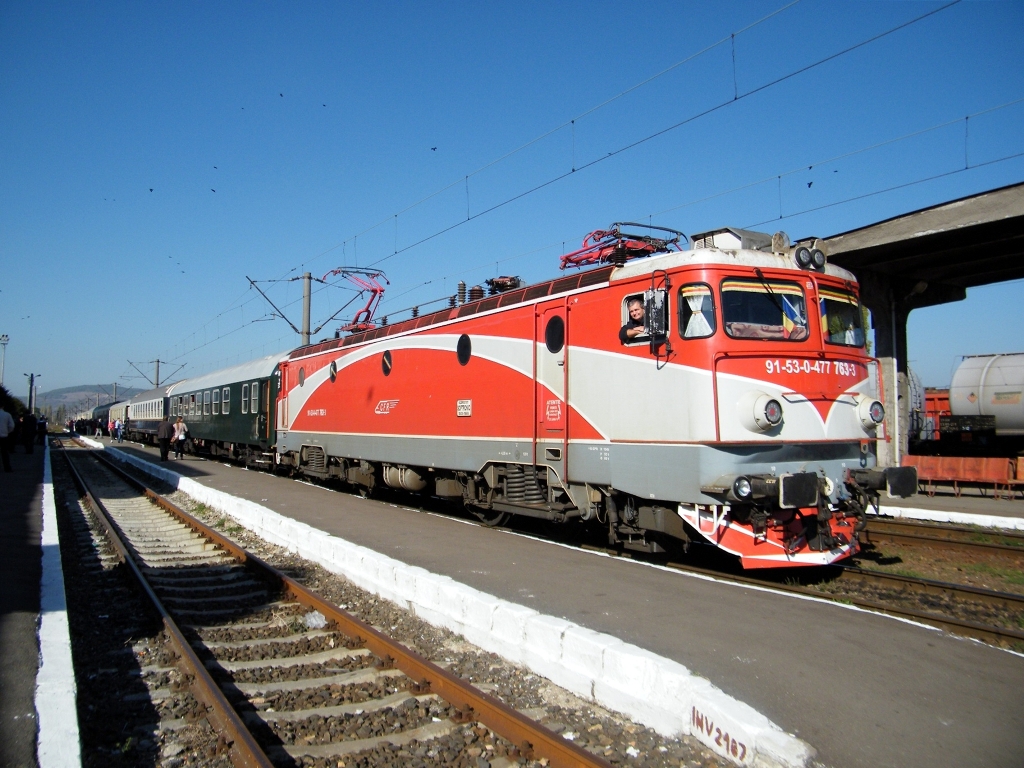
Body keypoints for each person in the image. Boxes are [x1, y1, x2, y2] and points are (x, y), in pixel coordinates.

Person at [0, 404, 14, 472]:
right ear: (3, 406)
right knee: (4, 452)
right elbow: (12, 425)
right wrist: (7, 431)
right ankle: (7, 468)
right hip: (4, 436)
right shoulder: (7, 414)